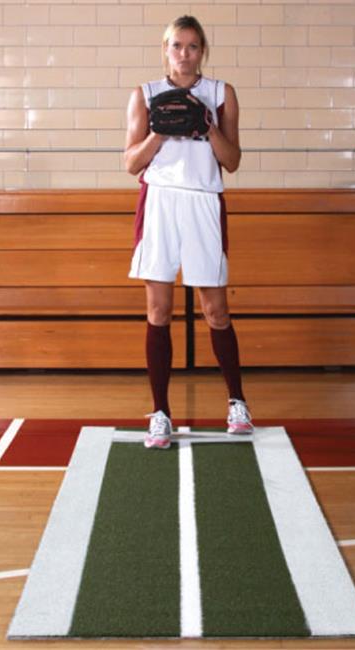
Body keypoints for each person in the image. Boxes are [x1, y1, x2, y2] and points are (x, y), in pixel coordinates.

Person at [123, 15, 253, 449]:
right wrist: (160, 133)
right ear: (166, 49)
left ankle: (237, 403)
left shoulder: (221, 93)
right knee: (158, 310)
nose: (184, 53)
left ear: (202, 51)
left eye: (192, 46)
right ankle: (160, 413)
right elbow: (131, 163)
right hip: (160, 200)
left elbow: (232, 160)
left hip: (203, 200)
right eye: (176, 45)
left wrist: (206, 125)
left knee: (216, 310)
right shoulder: (145, 94)